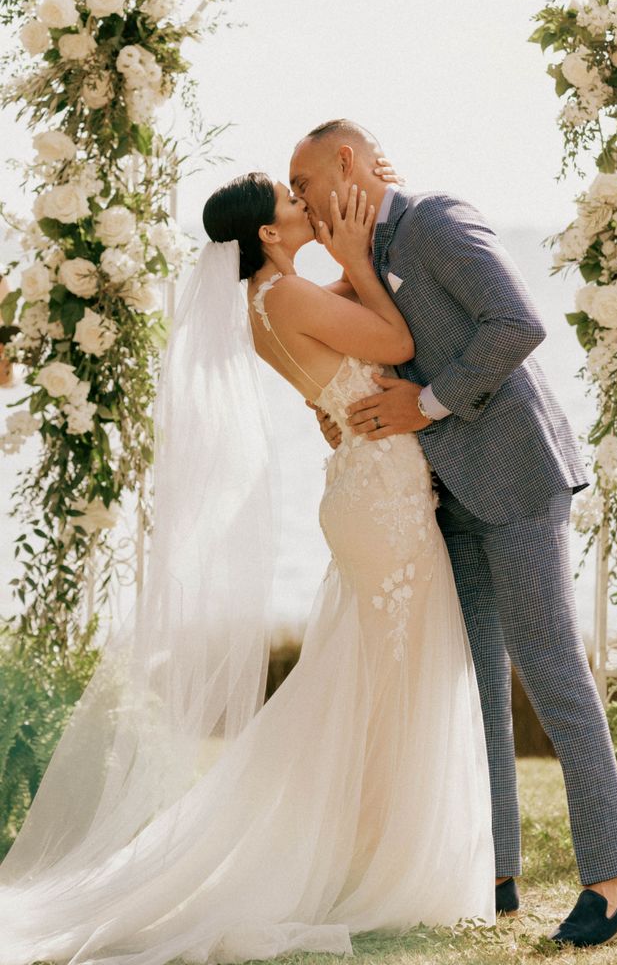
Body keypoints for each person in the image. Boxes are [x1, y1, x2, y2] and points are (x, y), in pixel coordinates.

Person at [0, 170, 494, 964]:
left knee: (374, 684)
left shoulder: (271, 301)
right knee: (393, 681)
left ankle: (366, 856)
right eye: (294, 205)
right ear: (267, 233)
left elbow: (344, 329)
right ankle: (373, 865)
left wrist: (347, 259)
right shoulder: (287, 298)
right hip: (380, 498)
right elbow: (397, 343)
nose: (306, 210)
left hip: (367, 491)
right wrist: (362, 261)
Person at [291, 119, 617, 949]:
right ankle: (495, 873)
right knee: (479, 680)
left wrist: (428, 402)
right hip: (445, 497)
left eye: (304, 181)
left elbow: (518, 324)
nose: (302, 201)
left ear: (346, 162)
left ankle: (615, 878)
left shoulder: (438, 221)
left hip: (518, 477)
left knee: (552, 671)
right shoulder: (366, 256)